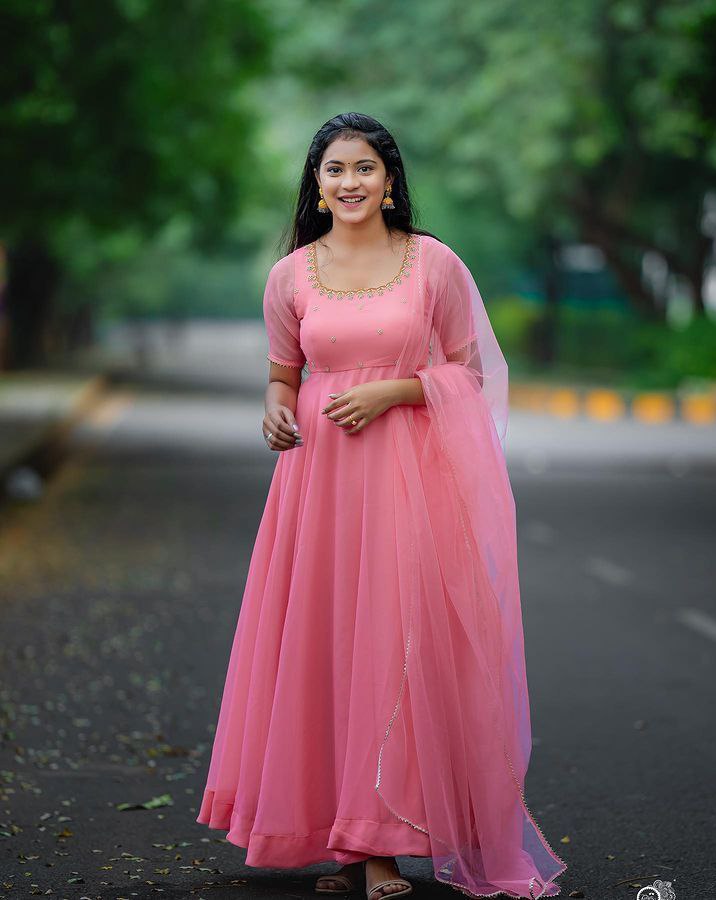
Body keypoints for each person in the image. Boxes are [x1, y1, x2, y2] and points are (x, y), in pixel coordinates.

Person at [196, 112, 567, 900]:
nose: (351, 182)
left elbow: (469, 374)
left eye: (365, 168)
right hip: (318, 483)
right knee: (326, 643)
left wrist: (399, 389)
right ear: (318, 185)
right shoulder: (291, 274)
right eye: (335, 170)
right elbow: (283, 373)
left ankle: (380, 844)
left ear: (390, 181)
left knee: (393, 641)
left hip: (406, 480)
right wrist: (274, 408)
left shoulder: (432, 264)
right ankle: (344, 839)